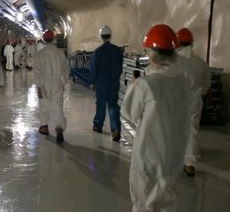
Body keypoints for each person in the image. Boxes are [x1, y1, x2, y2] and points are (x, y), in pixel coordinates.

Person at [121, 24, 191, 212]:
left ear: (152, 54)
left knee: (144, 202)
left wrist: (135, 87)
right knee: (166, 201)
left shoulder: (146, 84)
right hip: (172, 155)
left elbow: (129, 113)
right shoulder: (182, 81)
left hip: (148, 155)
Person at [176, 27, 211, 177]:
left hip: (177, 103)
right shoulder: (200, 63)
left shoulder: (174, 61)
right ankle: (189, 164)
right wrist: (199, 94)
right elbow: (206, 82)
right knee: (192, 131)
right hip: (195, 102)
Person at [34, 29, 70, 143]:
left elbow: (37, 72)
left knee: (44, 104)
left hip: (45, 82)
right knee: (57, 105)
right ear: (54, 40)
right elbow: (65, 69)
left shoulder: (40, 54)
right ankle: (59, 128)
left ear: (43, 40)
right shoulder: (60, 53)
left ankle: (44, 127)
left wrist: (39, 87)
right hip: (57, 82)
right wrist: (64, 82)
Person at [89, 25, 123, 141]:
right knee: (113, 105)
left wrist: (92, 81)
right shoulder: (117, 50)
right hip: (113, 82)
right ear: (110, 36)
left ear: (101, 36)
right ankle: (116, 129)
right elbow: (120, 67)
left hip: (101, 82)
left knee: (101, 104)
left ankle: (98, 125)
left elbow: (94, 68)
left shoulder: (98, 52)